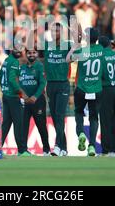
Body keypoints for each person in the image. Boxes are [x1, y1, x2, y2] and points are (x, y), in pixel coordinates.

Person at [66, 27, 105, 157]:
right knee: (94, 118)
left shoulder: (82, 51)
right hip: (97, 89)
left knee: (78, 112)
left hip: (82, 88)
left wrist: (76, 43)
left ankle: (81, 133)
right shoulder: (101, 50)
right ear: (97, 38)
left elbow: (68, 59)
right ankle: (92, 146)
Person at [43, 23, 72, 156]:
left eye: (58, 31)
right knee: (55, 117)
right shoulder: (47, 45)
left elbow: (79, 52)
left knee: (59, 116)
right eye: (53, 31)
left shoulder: (67, 45)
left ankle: (57, 146)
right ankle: (64, 148)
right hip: (50, 85)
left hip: (62, 84)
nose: (55, 33)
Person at [0, 44, 30, 156]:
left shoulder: (7, 60)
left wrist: (4, 88)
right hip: (13, 97)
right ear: (12, 49)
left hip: (6, 95)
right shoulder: (15, 62)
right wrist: (21, 93)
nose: (19, 51)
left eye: (20, 49)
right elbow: (12, 79)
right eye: (16, 49)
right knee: (19, 123)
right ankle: (22, 150)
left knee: (6, 123)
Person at [20, 48, 50, 156]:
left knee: (41, 126)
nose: (31, 54)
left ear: (37, 54)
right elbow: (18, 83)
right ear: (26, 54)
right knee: (23, 126)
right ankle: (23, 150)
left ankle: (46, 150)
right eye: (29, 53)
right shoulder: (22, 68)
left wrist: (35, 96)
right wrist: (22, 95)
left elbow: (42, 83)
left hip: (38, 101)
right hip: (25, 101)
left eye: (34, 52)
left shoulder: (39, 66)